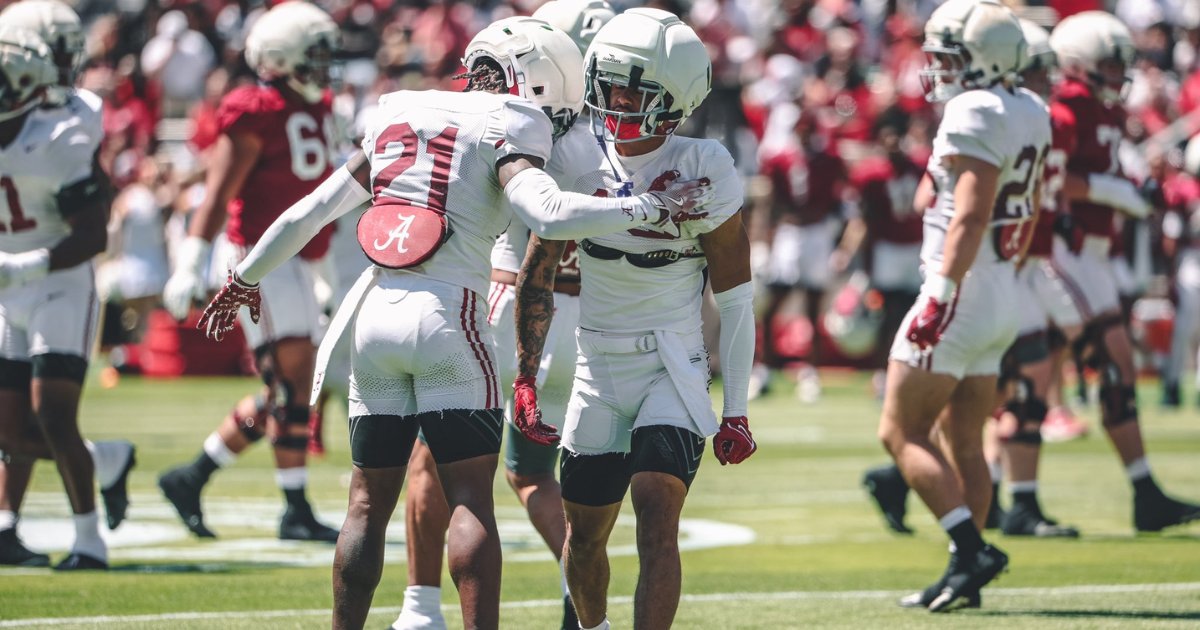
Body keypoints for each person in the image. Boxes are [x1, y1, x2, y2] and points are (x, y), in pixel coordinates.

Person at [195, 16, 711, 629]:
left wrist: (245, 276)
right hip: (452, 319)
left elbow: (311, 210)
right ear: (538, 80)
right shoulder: (514, 121)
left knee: (364, 506)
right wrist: (647, 206)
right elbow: (548, 213)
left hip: (374, 318)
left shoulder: (401, 109)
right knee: (470, 500)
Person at [514, 10, 757, 630]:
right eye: (610, 84)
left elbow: (735, 298)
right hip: (596, 364)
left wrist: (736, 409)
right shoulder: (574, 153)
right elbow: (537, 273)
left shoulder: (705, 163)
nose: (616, 101)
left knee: (656, 510)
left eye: (633, 90)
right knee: (585, 537)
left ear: (675, 98)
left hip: (671, 363)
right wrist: (525, 376)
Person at [390, 5, 615, 630]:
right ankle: (583, 605)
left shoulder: (521, 127)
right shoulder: (613, 137)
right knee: (532, 472)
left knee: (435, 461)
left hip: (511, 303)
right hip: (586, 317)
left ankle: (420, 609)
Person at [876, 0, 1047, 611]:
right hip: (1002, 286)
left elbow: (969, 215)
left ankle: (971, 550)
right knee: (965, 441)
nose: (939, 67)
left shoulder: (974, 109)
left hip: (960, 286)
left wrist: (942, 295)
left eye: (950, 55)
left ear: (982, 57)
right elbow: (1022, 208)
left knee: (900, 431)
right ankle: (963, 573)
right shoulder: (1031, 108)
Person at [157, 1, 342, 542]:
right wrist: (191, 260)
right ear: (281, 58)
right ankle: (294, 507)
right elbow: (219, 193)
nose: (324, 67)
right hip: (258, 259)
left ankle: (193, 476)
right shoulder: (255, 109)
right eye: (314, 56)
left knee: (292, 384)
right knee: (292, 379)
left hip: (300, 259)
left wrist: (325, 269)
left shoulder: (319, 106)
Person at [1047, 10, 1200, 532]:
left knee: (1080, 368)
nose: (1118, 74)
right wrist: (1113, 192)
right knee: (1041, 370)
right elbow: (1053, 181)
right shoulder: (1065, 109)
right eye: (1109, 64)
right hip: (1061, 251)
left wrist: (1134, 190)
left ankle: (1142, 490)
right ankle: (1140, 492)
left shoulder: (1105, 110)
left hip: (1091, 254)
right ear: (1076, 63)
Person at [0, 1, 134, 571]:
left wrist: (26, 264)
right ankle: (103, 462)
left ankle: (88, 539)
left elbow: (93, 226)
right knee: (8, 430)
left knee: (52, 415)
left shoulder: (63, 130)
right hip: (9, 284)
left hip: (57, 282)